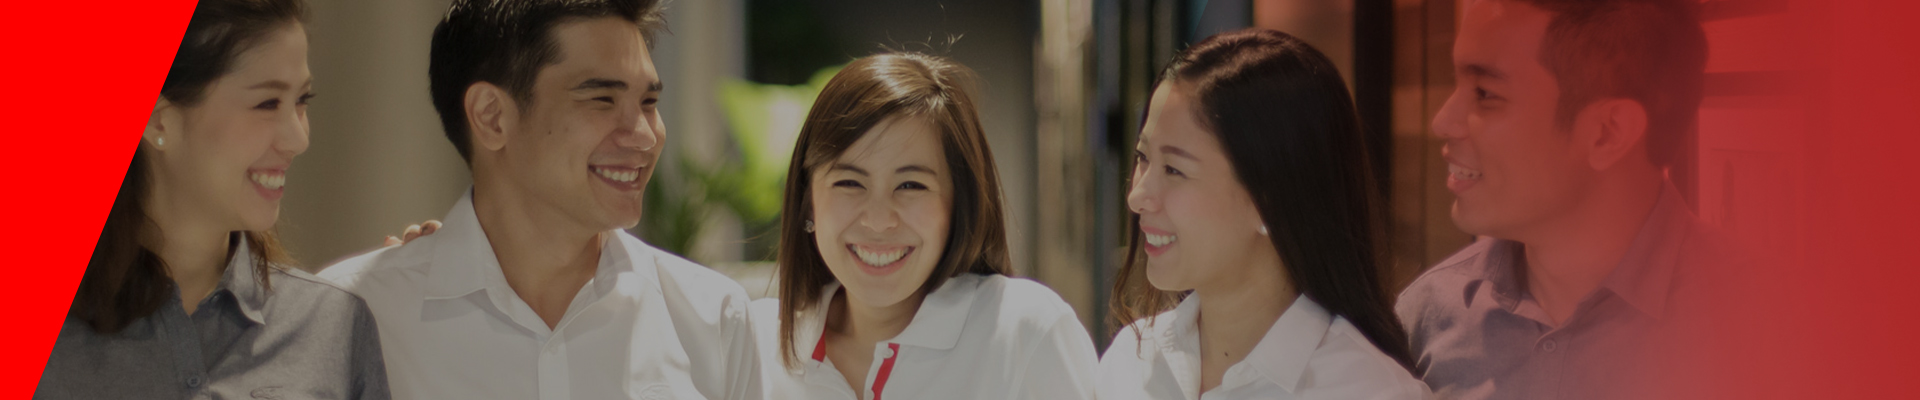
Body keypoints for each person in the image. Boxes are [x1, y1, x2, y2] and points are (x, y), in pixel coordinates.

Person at [316, 0, 760, 399]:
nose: (645, 136)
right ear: (491, 116)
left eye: (648, 101)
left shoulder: (713, 320)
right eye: (602, 99)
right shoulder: (354, 317)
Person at [36, 0, 390, 398]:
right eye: (267, 103)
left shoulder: (333, 324)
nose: (298, 139)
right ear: (158, 121)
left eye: (302, 101)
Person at [1392, 0, 1730, 398]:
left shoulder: (1768, 326)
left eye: (1485, 93)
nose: (1442, 121)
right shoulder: (1427, 317)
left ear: (1607, 132)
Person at [1097, 28, 1430, 400]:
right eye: (1142, 157)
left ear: (1269, 201)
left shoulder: (1369, 391)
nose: (1137, 196)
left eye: (1174, 170)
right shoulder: (1132, 362)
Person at [749, 52, 1099, 400]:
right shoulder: (755, 347)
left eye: (911, 185)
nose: (878, 220)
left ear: (958, 204)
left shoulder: (1024, 334)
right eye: (850, 183)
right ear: (807, 199)